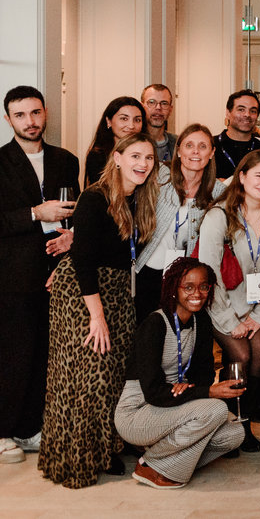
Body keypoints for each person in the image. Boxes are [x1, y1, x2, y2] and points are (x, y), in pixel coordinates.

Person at [40, 133, 157, 488]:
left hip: (118, 290)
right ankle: (77, 459)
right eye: (135, 156)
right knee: (87, 373)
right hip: (84, 293)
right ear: (117, 158)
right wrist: (97, 315)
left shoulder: (140, 197)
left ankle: (105, 449)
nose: (142, 164)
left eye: (149, 158)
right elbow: (85, 260)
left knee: (112, 374)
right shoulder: (94, 197)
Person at [115, 258, 244, 488]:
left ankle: (169, 464)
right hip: (138, 411)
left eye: (204, 286)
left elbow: (203, 374)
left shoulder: (201, 321)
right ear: (174, 288)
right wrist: (205, 392)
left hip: (173, 405)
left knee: (235, 434)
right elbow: (154, 391)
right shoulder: (155, 324)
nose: (198, 293)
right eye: (189, 287)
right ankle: (149, 463)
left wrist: (192, 389)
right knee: (215, 408)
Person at [0, 86, 79, 465]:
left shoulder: (67, 160)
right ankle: (2, 430)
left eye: (35, 113)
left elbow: (78, 210)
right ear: (8, 119)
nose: (30, 121)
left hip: (58, 272)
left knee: (46, 351)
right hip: (13, 275)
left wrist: (71, 235)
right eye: (20, 115)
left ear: (45, 113)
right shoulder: (0, 163)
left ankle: (30, 426)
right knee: (14, 352)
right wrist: (36, 213)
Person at [198, 149, 260, 449]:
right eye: (259, 175)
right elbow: (209, 273)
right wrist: (229, 320)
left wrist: (258, 316)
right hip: (219, 302)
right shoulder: (218, 215)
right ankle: (238, 426)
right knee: (241, 355)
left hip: (256, 303)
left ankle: (245, 415)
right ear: (242, 177)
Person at [134, 124, 225, 324]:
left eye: (202, 146)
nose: (195, 151)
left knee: (179, 335)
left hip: (187, 281)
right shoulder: (160, 176)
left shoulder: (218, 192)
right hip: (149, 271)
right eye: (189, 145)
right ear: (179, 150)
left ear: (211, 152)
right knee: (146, 331)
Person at [84, 96, 146, 185]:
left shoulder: (146, 154)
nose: (131, 125)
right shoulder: (98, 156)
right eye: (124, 119)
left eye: (137, 120)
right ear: (109, 121)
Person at [214, 90, 260, 180]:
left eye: (253, 111)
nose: (247, 114)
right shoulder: (210, 146)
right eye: (241, 109)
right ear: (228, 112)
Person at [141, 84, 176, 163]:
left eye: (164, 103)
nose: (158, 108)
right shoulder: (130, 142)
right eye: (152, 102)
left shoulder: (179, 144)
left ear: (170, 110)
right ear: (142, 107)